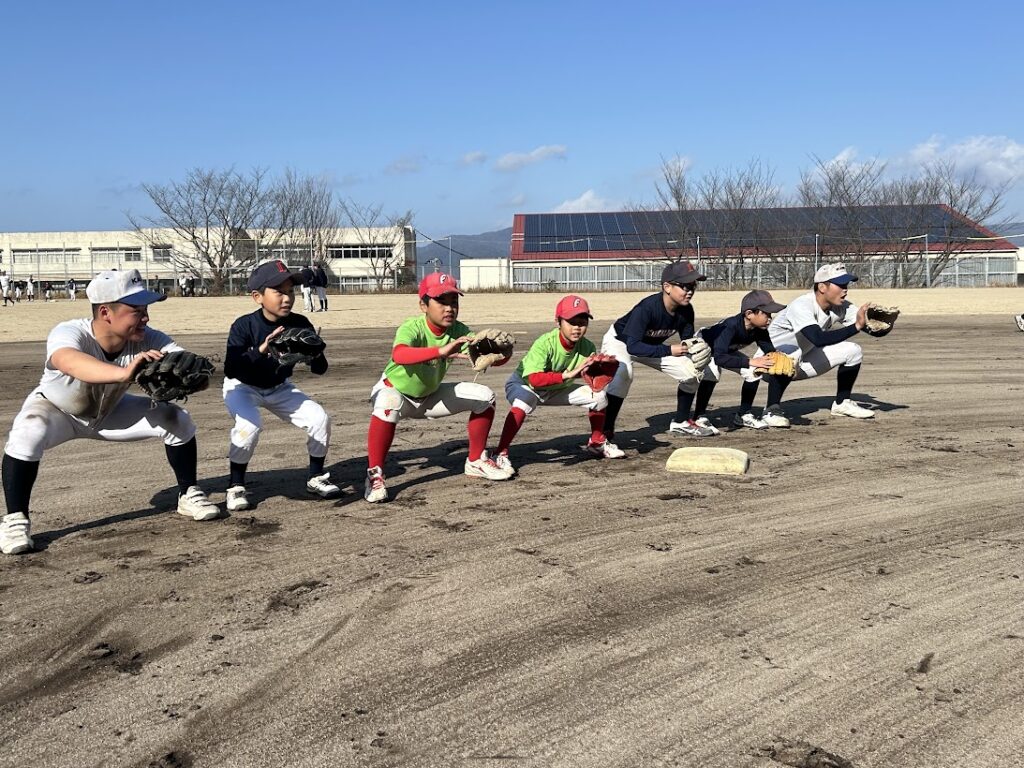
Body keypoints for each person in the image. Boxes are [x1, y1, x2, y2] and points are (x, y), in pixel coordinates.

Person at [0, 269, 221, 555]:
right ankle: (15, 519)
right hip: (56, 411)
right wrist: (124, 372)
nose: (146, 317)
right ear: (105, 312)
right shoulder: (71, 331)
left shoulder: (150, 338)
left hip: (111, 412)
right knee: (28, 431)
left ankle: (188, 493)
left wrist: (195, 378)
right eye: (136, 311)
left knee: (176, 418)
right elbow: (68, 361)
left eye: (146, 310)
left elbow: (185, 364)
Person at [364, 272, 512, 503]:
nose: (449, 308)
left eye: (454, 301)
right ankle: (375, 475)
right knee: (387, 402)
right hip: (396, 393)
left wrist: (503, 354)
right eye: (441, 301)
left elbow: (483, 356)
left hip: (430, 397)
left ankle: (475, 461)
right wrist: (441, 351)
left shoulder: (459, 331)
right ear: (423, 305)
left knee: (485, 397)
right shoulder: (412, 327)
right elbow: (399, 354)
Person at [222, 260, 340, 512]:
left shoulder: (300, 323)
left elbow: (320, 370)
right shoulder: (244, 325)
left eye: (290, 291)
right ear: (257, 297)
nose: (287, 298)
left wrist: (316, 353)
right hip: (242, 387)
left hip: (279, 387)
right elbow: (232, 368)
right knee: (249, 427)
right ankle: (235, 486)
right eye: (279, 292)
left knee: (319, 419)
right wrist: (262, 349)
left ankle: (316, 477)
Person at [495, 295, 622, 475]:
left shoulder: (587, 347)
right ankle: (500, 452)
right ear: (558, 321)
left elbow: (589, 378)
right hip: (524, 386)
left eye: (582, 322)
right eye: (571, 322)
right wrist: (567, 375)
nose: (577, 327)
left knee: (599, 396)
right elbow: (534, 379)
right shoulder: (545, 343)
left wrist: (599, 372)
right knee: (524, 401)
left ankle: (597, 442)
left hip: (556, 389)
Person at [600, 260, 712, 445]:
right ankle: (605, 430)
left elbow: (687, 340)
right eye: (685, 286)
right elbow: (633, 347)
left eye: (693, 286)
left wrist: (695, 349)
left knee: (692, 372)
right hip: (620, 342)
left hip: (650, 346)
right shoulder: (647, 308)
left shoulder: (686, 311)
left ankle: (681, 422)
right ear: (667, 287)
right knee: (624, 375)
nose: (690, 291)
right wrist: (669, 350)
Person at [764, 263, 874, 423]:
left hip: (804, 360)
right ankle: (771, 410)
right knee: (791, 352)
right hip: (768, 364)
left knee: (853, 351)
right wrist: (856, 326)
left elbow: (869, 328)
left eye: (846, 284)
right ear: (822, 287)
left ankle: (842, 404)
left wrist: (882, 324)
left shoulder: (841, 306)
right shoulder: (802, 305)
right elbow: (818, 338)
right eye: (840, 285)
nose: (845, 289)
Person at [693, 290, 788, 431]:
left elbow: (769, 349)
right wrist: (751, 361)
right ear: (749, 314)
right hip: (704, 346)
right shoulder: (730, 326)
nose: (770, 318)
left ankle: (743, 414)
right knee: (712, 373)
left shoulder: (759, 328)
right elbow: (719, 358)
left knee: (753, 372)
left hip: (724, 350)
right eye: (766, 314)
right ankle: (699, 416)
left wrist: (779, 357)